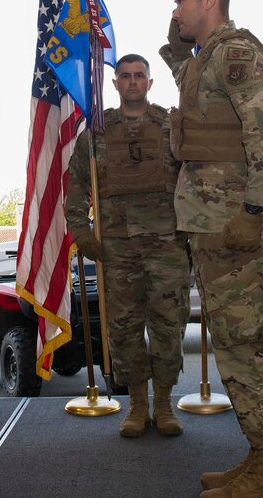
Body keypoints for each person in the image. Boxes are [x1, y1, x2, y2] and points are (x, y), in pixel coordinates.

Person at [160, 0, 263, 498]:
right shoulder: (204, 59)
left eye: (181, 0)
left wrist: (256, 206)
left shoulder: (235, 52)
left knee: (250, 342)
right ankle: (259, 456)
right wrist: (174, 49)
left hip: (233, 221)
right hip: (211, 223)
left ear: (209, 0)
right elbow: (204, 112)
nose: (175, 9)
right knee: (234, 340)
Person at [65, 54, 190, 439]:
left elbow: (196, 179)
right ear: (115, 84)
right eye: (125, 76)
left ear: (150, 83)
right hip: (116, 250)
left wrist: (193, 229)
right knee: (124, 329)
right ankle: (137, 403)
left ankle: (164, 403)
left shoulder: (173, 129)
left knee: (169, 327)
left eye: (140, 76)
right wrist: (81, 234)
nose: (132, 82)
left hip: (167, 246)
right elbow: (75, 189)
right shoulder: (95, 135)